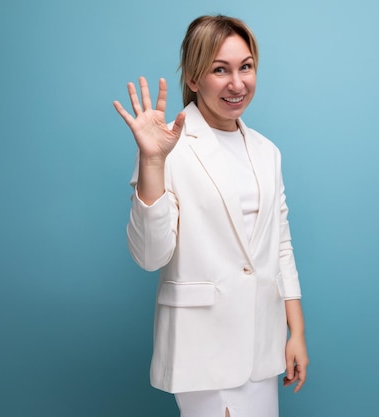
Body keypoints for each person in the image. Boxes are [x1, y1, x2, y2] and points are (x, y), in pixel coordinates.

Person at [113, 15, 308, 417]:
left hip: (260, 345)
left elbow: (280, 244)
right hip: (202, 347)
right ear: (194, 77)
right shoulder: (167, 144)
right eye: (220, 70)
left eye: (246, 67)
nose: (237, 84)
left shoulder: (267, 152)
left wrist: (297, 332)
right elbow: (151, 255)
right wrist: (152, 162)